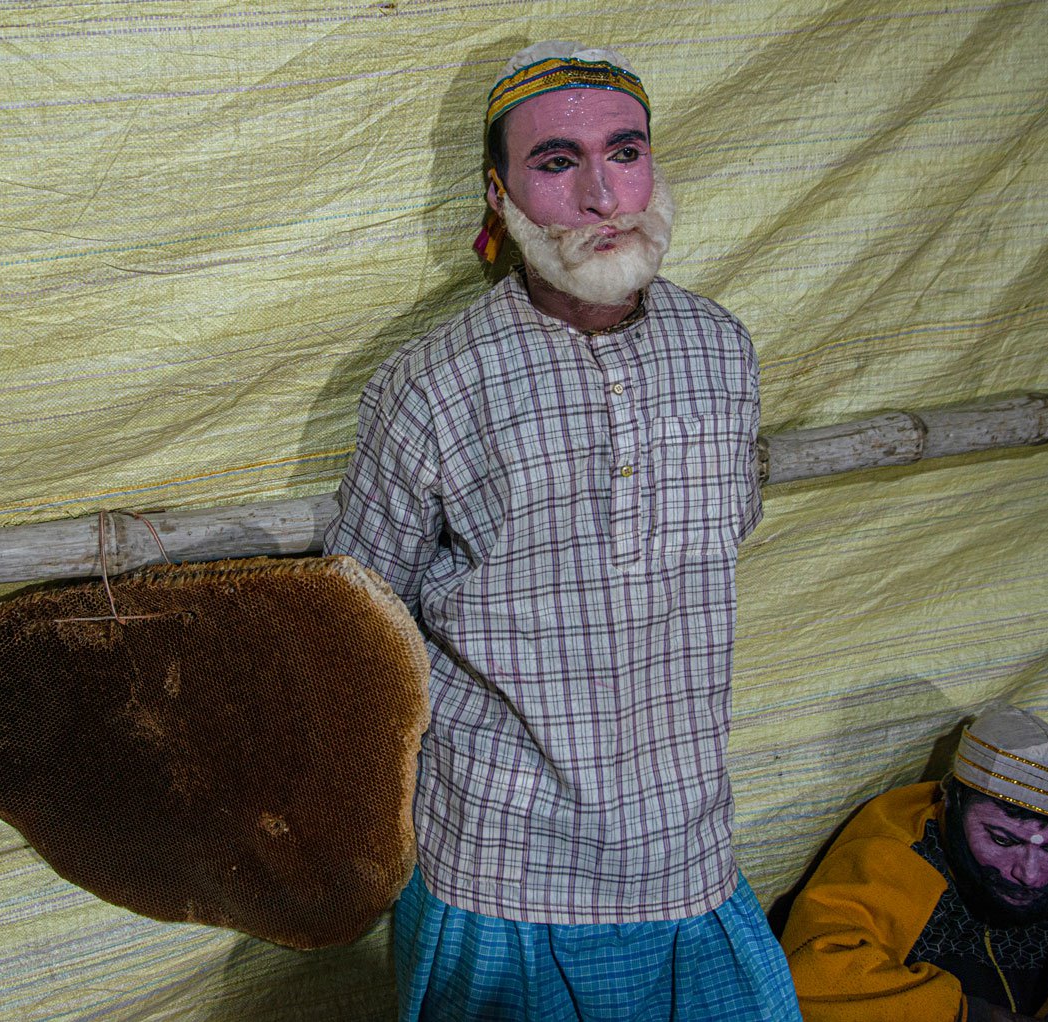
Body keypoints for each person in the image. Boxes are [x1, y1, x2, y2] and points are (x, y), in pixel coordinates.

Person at [325, 40, 799, 1020]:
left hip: (686, 847)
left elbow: (720, 532)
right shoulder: (432, 383)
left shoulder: (721, 349)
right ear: (496, 197)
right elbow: (359, 617)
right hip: (501, 864)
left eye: (624, 152)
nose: (600, 194)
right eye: (554, 163)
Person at [780, 705, 1048, 1022]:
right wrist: (966, 1013)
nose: (1029, 874)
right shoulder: (894, 853)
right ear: (953, 801)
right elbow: (810, 976)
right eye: (1002, 840)